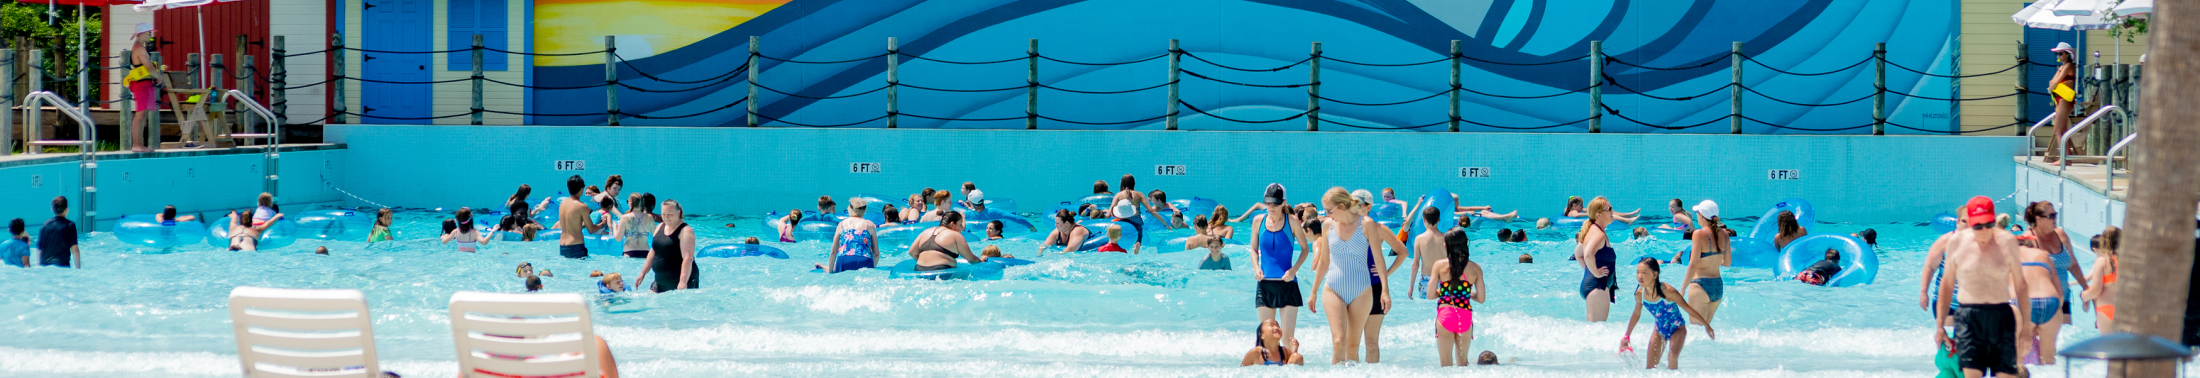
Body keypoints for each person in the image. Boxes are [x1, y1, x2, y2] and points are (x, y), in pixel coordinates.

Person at [1936, 196, 2029, 378]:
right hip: (1969, 316)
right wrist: (1940, 325)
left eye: (1988, 225)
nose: (1984, 231)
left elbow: (2021, 285)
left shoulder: (2007, 241)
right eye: (1978, 226)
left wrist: (2025, 328)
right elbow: (1946, 285)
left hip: (2000, 314)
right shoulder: (1957, 242)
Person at [1307, 187, 1392, 364]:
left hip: (1361, 291)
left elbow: (1379, 259)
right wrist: (1313, 291)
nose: (1327, 214)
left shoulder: (1366, 224)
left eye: (1329, 210)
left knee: (1353, 345)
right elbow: (1323, 262)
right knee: (1339, 342)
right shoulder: (1328, 225)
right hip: (1333, 289)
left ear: (1342, 205)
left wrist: (1385, 290)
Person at [1620, 258, 1717, 370]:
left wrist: (1707, 326)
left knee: (1672, 356)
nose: (1639, 276)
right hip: (1659, 330)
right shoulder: (1639, 294)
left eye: (1644, 273)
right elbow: (1636, 314)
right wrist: (1627, 336)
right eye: (1638, 272)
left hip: (1678, 329)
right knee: (1650, 368)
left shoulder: (1668, 292)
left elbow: (1688, 309)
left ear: (1655, 274)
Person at [2020, 201, 2084, 364]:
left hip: (2063, 298)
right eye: (2051, 216)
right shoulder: (2029, 240)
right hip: (2038, 302)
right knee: (2034, 350)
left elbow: (2073, 264)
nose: (2055, 219)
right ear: (2038, 219)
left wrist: (2086, 288)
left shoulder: (2060, 235)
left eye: (2055, 215)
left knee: (2062, 342)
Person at [1249, 183, 1310, 343]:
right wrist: (1256, 268)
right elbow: (1253, 250)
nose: (1271, 206)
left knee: (1287, 339)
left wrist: (1294, 270)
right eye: (1268, 202)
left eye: (1276, 203)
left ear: (1284, 202)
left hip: (1288, 285)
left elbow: (1305, 250)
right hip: (1265, 285)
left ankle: (1291, 367)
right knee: (1266, 340)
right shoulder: (1258, 221)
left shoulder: (1292, 222)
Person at [1428, 229, 1484, 366]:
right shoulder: (1476, 268)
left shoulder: (1439, 265)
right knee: (1463, 363)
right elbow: (1481, 298)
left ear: (1446, 245)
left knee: (1446, 364)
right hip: (1464, 317)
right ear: (1466, 243)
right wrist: (1466, 294)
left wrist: (1444, 292)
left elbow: (1430, 295)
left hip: (1445, 316)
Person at [2015, 239, 2064, 365]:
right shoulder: (2044, 255)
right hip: (2050, 302)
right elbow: (2060, 295)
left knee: (2017, 360)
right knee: (2048, 360)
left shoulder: (2011, 254)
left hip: (2023, 303)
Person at [1681, 200, 1730, 326]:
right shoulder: (1725, 234)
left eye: (1697, 212)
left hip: (1700, 285)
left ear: (1702, 215)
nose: (1697, 215)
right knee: (1705, 331)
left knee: (1697, 330)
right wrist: (1712, 260)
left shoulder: (1699, 233)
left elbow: (1693, 264)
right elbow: (1727, 262)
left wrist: (1682, 289)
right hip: (1718, 286)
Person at [634, 200, 698, 293]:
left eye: (670, 214)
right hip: (660, 279)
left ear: (678, 213)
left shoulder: (685, 231)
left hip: (679, 279)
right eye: (663, 214)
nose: (666, 217)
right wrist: (642, 273)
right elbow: (653, 251)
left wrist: (683, 282)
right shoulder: (659, 226)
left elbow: (688, 258)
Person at [1574, 196, 1619, 322]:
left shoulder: (1591, 231)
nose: (1612, 211)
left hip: (1591, 285)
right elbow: (1587, 254)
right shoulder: (1598, 234)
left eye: (1611, 208)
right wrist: (1596, 273)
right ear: (1599, 215)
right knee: (1598, 331)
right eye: (1608, 209)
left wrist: (1589, 271)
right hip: (1598, 287)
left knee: (1592, 332)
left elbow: (1578, 254)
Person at [124, 23, 164, 151]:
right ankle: (136, 145)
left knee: (143, 115)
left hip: (144, 85)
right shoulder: (139, 49)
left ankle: (139, 144)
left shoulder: (139, 47)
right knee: (140, 116)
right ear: (141, 34)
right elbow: (148, 66)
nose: (150, 36)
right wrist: (158, 76)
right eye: (148, 33)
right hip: (141, 86)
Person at [908, 211, 980, 271]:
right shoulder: (955, 235)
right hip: (942, 271)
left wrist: (926, 264)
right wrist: (982, 262)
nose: (961, 228)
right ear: (952, 224)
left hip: (919, 269)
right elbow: (972, 259)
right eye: (960, 224)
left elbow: (911, 252)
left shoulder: (926, 232)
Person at [2080, 227, 2121, 330]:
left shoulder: (2102, 261)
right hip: (2125, 310)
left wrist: (2084, 296)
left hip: (2107, 309)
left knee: (2108, 345)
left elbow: (2095, 291)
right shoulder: (2129, 261)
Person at [2046, 42, 2079, 163]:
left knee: (2058, 129)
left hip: (2064, 99)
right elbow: (2052, 82)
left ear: (2068, 54)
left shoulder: (2069, 65)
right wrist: (2052, 85)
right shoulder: (2061, 67)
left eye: (2060, 53)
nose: (2058, 56)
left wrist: (2053, 86)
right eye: (2057, 54)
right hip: (2059, 98)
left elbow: (2054, 82)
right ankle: (2067, 157)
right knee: (2062, 129)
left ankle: (2064, 158)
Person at [826, 198, 879, 274]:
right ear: (864, 210)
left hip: (843, 260)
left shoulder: (841, 224)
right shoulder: (869, 225)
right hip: (864, 260)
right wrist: (871, 268)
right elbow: (876, 253)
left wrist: (831, 271)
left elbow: (833, 252)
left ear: (849, 208)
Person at [557, 176, 601, 259]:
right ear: (581, 189)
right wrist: (602, 224)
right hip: (575, 246)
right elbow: (591, 230)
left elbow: (573, 225)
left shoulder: (562, 204)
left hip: (563, 246)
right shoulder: (581, 206)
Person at [1240, 319, 1307, 366]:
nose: (1276, 327)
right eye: (1271, 325)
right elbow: (1242, 371)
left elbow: (1291, 369)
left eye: (1278, 326)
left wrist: (1294, 350)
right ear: (1262, 335)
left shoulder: (1285, 352)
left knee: (1297, 356)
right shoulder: (1256, 353)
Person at [617, 194, 656, 258]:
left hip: (629, 252)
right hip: (645, 252)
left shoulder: (625, 217)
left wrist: (615, 228)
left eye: (628, 201)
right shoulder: (649, 217)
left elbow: (618, 239)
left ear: (631, 203)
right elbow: (655, 235)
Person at [1565, 196, 1638, 223]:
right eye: (1581, 205)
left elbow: (1567, 209)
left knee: (1608, 211)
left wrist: (1585, 210)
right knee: (1607, 214)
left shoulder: (1569, 210)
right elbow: (1577, 215)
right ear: (1574, 205)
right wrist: (1591, 213)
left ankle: (1628, 215)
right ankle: (1627, 220)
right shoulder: (1573, 211)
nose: (1582, 207)